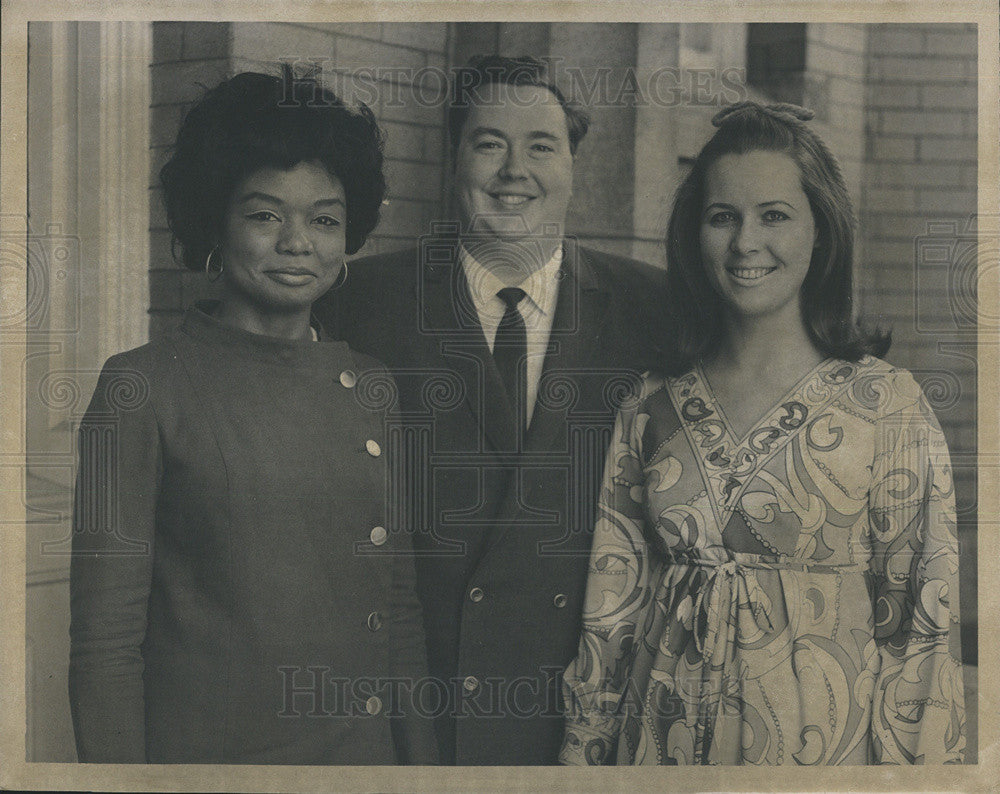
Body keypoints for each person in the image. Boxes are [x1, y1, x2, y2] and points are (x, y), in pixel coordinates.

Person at [560, 101, 965, 765]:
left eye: (774, 215)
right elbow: (610, 618)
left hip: (823, 759)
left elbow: (920, 631)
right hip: (659, 750)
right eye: (723, 217)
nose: (746, 242)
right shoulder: (649, 402)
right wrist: (582, 757)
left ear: (820, 230)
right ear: (695, 234)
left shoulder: (886, 406)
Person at [68, 70, 437, 765]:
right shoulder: (141, 387)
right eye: (266, 214)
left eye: (324, 219)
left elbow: (399, 614)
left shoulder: (375, 387)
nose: (298, 242)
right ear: (215, 221)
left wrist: (421, 773)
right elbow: (106, 648)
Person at [314, 55, 669, 765]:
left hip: (583, 716)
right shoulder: (362, 301)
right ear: (454, 162)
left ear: (574, 165)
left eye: (541, 145)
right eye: (489, 144)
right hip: (421, 718)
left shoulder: (654, 310)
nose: (515, 170)